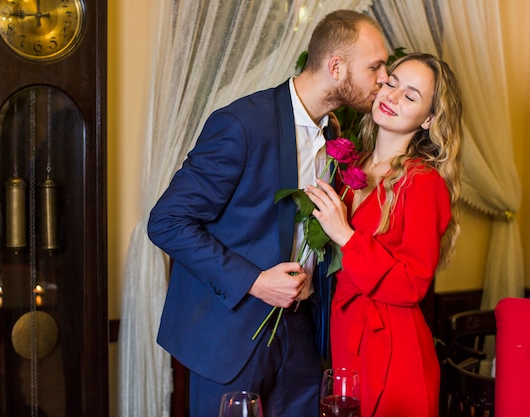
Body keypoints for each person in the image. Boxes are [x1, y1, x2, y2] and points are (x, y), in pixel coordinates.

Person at [146, 9, 388, 417]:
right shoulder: (241, 125)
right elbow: (167, 222)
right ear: (336, 67)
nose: (384, 78)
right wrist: (254, 281)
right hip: (230, 338)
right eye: (375, 66)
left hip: (301, 336)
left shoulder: (334, 138)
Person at [306, 53, 463, 417]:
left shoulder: (424, 184)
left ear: (429, 119)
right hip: (343, 333)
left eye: (410, 96)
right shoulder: (349, 166)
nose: (391, 97)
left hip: (393, 349)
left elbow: (413, 285)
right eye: (391, 83)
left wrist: (346, 236)